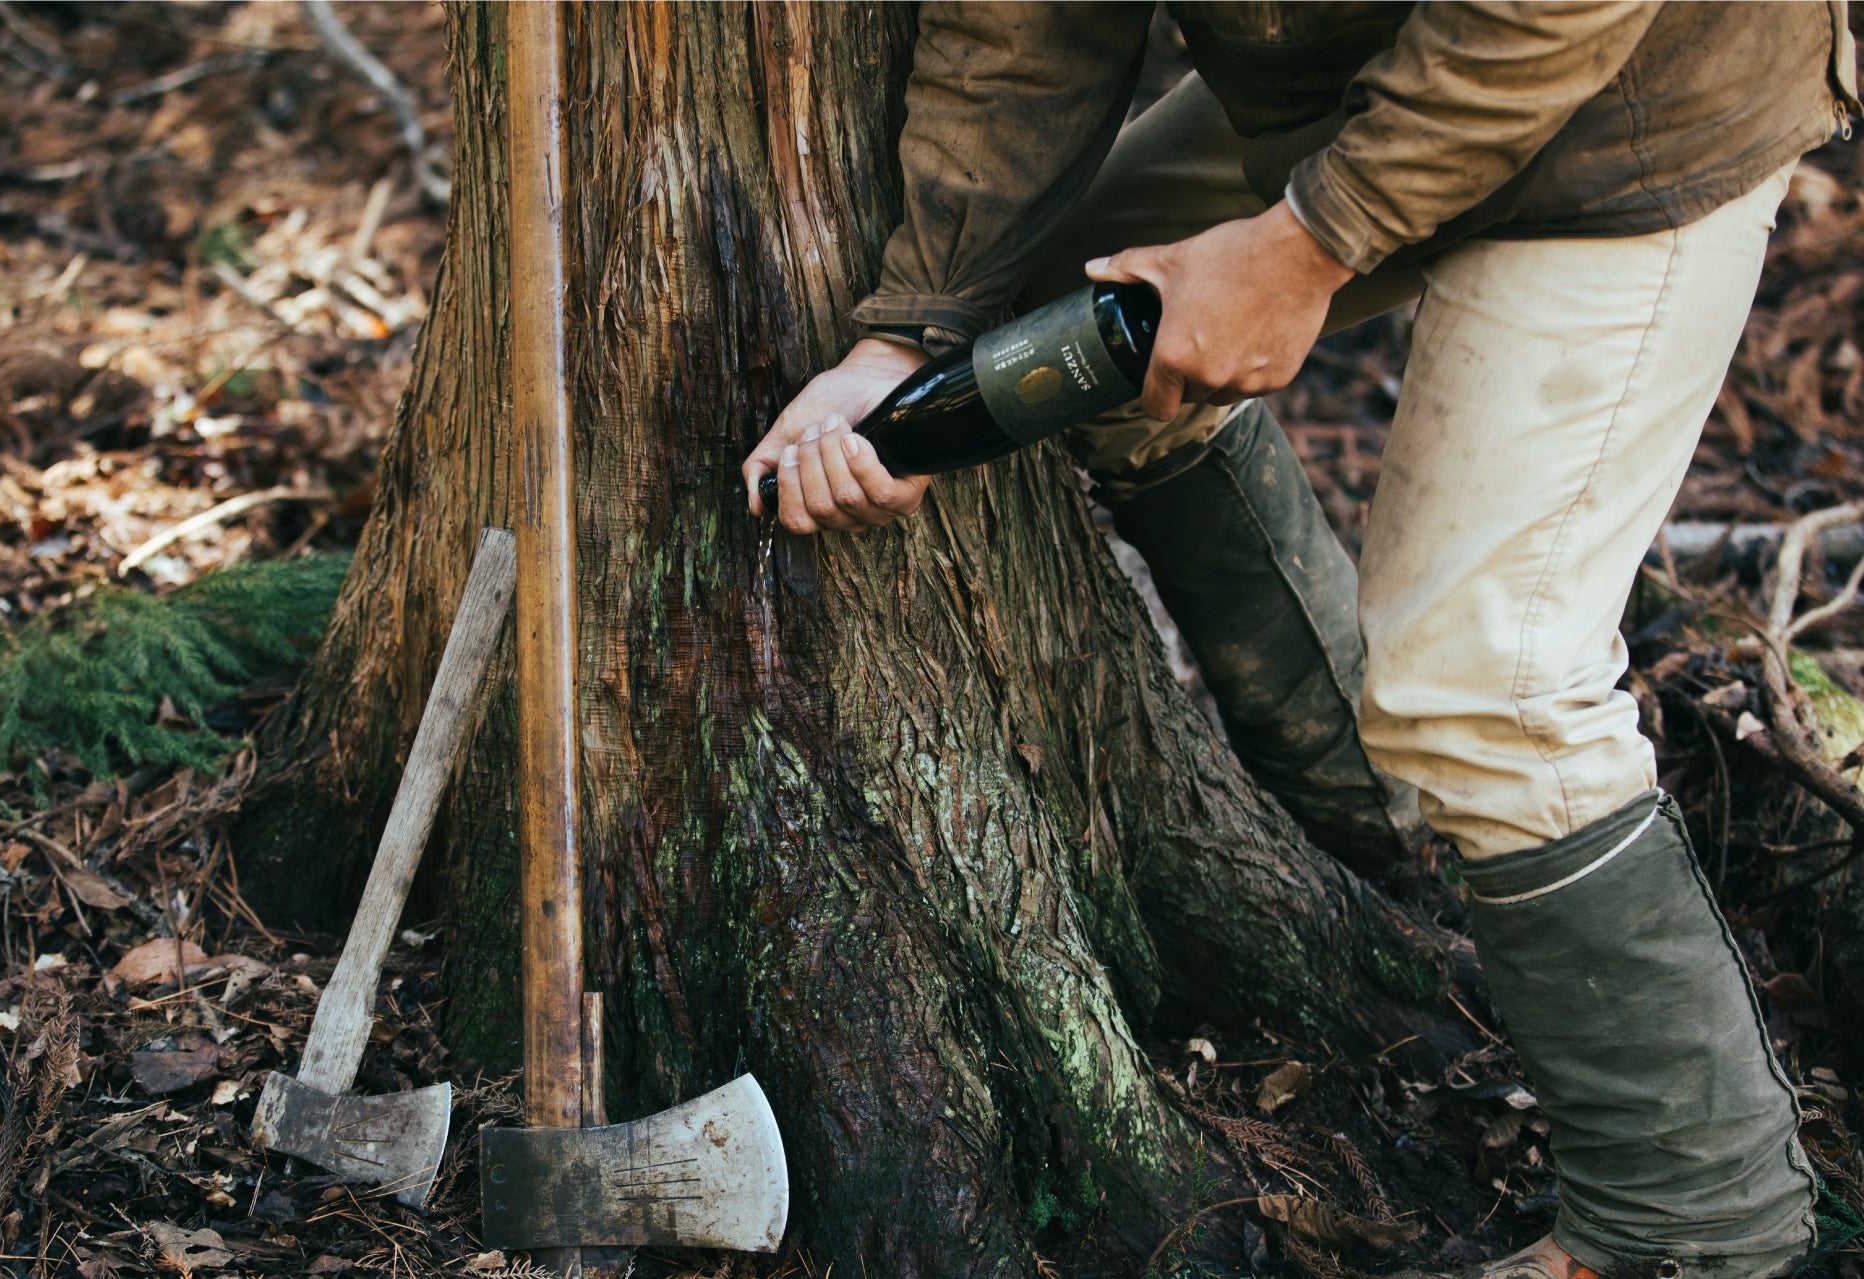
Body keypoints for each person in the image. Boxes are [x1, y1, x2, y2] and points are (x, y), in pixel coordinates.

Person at [742, 5, 1859, 1278]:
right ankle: (1395, 834)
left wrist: (1307, 245)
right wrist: (910, 332)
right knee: (1065, 348)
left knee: (1486, 677)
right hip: (1355, 81)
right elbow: (1029, 20)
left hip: (1634, 110)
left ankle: (1693, 1222)